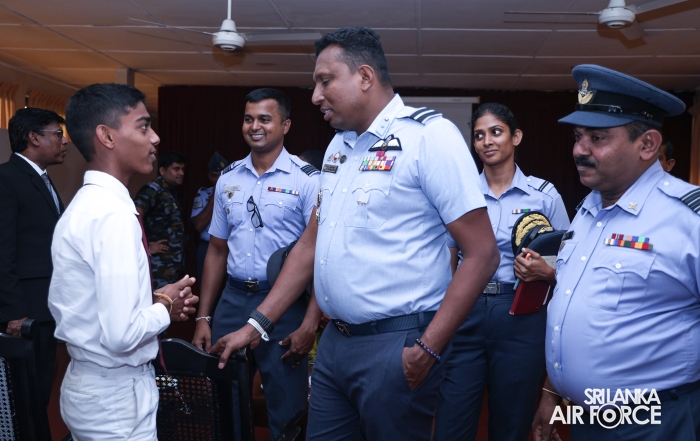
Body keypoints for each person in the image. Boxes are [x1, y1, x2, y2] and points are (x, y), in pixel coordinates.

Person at [208, 27, 500, 441]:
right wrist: (256, 325)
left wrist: (429, 348)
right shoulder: (338, 148)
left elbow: (482, 253)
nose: (315, 95)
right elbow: (309, 244)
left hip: (396, 345)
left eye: (325, 81)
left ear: (364, 76)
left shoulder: (428, 138)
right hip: (335, 345)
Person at [531, 65, 698, 441]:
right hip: (585, 417)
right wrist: (552, 394)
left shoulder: (687, 219)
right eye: (578, 136)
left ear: (648, 145)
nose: (579, 150)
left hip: (654, 422)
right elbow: (574, 312)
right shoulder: (587, 212)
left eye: (597, 137)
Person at [49, 83, 198, 440]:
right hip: (114, 398)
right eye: (143, 127)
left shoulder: (88, 204)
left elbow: (98, 305)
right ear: (107, 136)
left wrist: (154, 302)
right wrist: (165, 305)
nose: (155, 138)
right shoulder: (112, 215)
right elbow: (122, 334)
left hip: (94, 386)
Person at [192, 88, 321, 440]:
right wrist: (204, 317)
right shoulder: (228, 178)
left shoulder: (308, 180)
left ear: (285, 125)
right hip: (233, 301)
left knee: (287, 409)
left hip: (284, 306)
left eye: (265, 119)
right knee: (225, 404)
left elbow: (318, 257)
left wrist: (310, 321)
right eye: (249, 119)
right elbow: (216, 251)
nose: (255, 126)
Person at [435, 103, 570, 441]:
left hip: (520, 315)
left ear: (516, 137)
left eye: (496, 132)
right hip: (466, 310)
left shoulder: (544, 196)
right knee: (451, 422)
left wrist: (545, 271)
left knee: (511, 424)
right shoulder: (462, 193)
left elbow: (570, 267)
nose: (487, 141)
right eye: (479, 135)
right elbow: (448, 256)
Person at [0, 107, 67, 405]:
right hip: (24, 310)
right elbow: (3, 251)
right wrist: (13, 312)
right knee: (23, 397)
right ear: (34, 138)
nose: (64, 141)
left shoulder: (42, 179)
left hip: (45, 307)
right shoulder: (7, 178)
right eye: (58, 134)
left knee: (40, 390)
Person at [134, 150, 187, 288]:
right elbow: (135, 216)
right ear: (163, 171)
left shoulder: (170, 191)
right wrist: (146, 246)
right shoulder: (153, 190)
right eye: (176, 169)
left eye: (183, 169)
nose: (181, 173)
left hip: (172, 264)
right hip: (159, 265)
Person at [191, 151, 229, 282]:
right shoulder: (203, 194)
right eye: (214, 176)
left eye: (222, 176)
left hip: (232, 248)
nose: (218, 180)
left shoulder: (237, 194)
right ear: (209, 176)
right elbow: (198, 225)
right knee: (207, 287)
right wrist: (216, 195)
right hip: (208, 247)